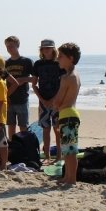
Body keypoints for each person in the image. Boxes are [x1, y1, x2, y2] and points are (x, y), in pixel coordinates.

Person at [52, 43, 82, 185]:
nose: (58, 59)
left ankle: (71, 178)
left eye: (61, 56)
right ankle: (68, 177)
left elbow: (58, 101)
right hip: (70, 113)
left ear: (70, 58)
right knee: (68, 149)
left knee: (70, 150)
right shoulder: (76, 75)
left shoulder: (67, 77)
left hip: (67, 114)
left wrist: (54, 106)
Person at [31, 39, 62, 163]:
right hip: (43, 101)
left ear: (53, 49)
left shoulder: (59, 63)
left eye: (48, 48)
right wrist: (42, 100)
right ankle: (47, 156)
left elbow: (63, 84)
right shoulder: (38, 64)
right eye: (44, 48)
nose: (46, 50)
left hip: (57, 101)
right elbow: (34, 84)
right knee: (46, 128)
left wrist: (54, 99)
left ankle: (59, 155)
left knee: (57, 128)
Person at [3, 36, 34, 139]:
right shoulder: (5, 63)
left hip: (22, 99)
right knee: (11, 126)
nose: (9, 49)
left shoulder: (27, 61)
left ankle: (24, 147)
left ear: (17, 45)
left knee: (23, 126)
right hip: (10, 99)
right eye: (7, 47)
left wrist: (22, 80)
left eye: (11, 46)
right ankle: (12, 148)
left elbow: (34, 79)